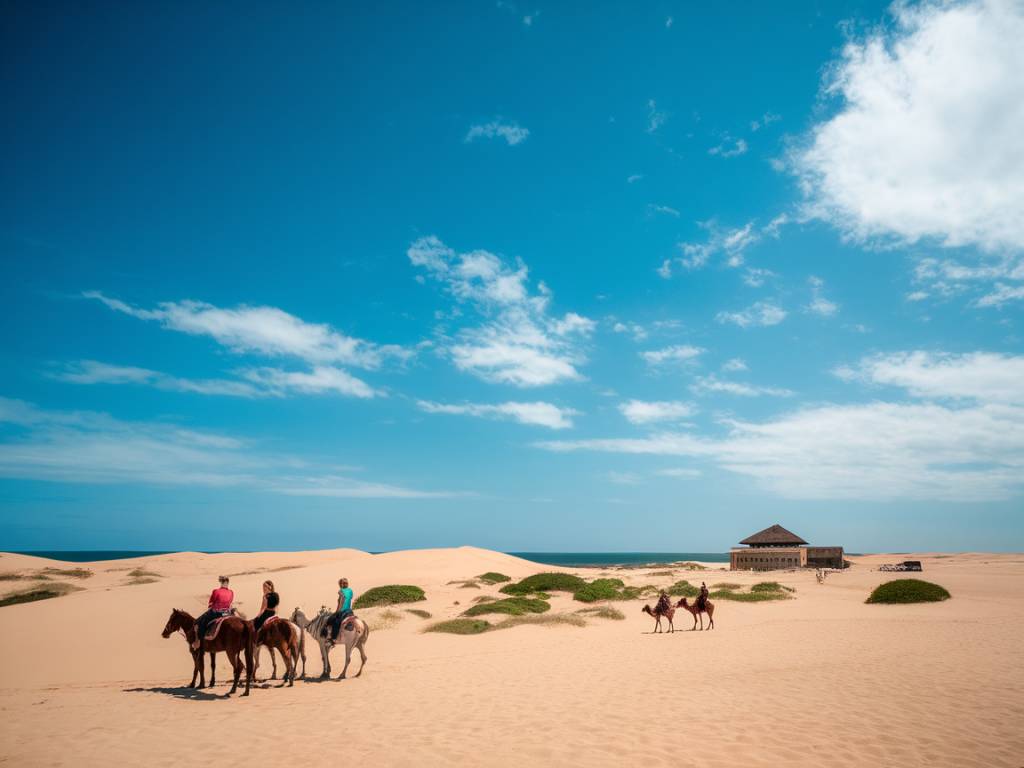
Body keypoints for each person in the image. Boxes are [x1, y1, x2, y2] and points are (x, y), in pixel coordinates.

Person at [193, 576, 234, 650]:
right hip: (227, 613)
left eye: (222, 582)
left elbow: (211, 604)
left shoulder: (216, 591)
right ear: (227, 583)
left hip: (217, 612)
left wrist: (211, 606)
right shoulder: (231, 592)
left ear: (221, 582)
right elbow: (230, 602)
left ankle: (198, 641)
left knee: (201, 622)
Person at [324, 577, 355, 645]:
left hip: (342, 611)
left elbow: (342, 600)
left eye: (341, 584)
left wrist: (337, 611)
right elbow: (351, 597)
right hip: (349, 611)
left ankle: (333, 639)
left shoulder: (341, 591)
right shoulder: (350, 590)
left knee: (332, 621)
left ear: (341, 584)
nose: (341, 585)